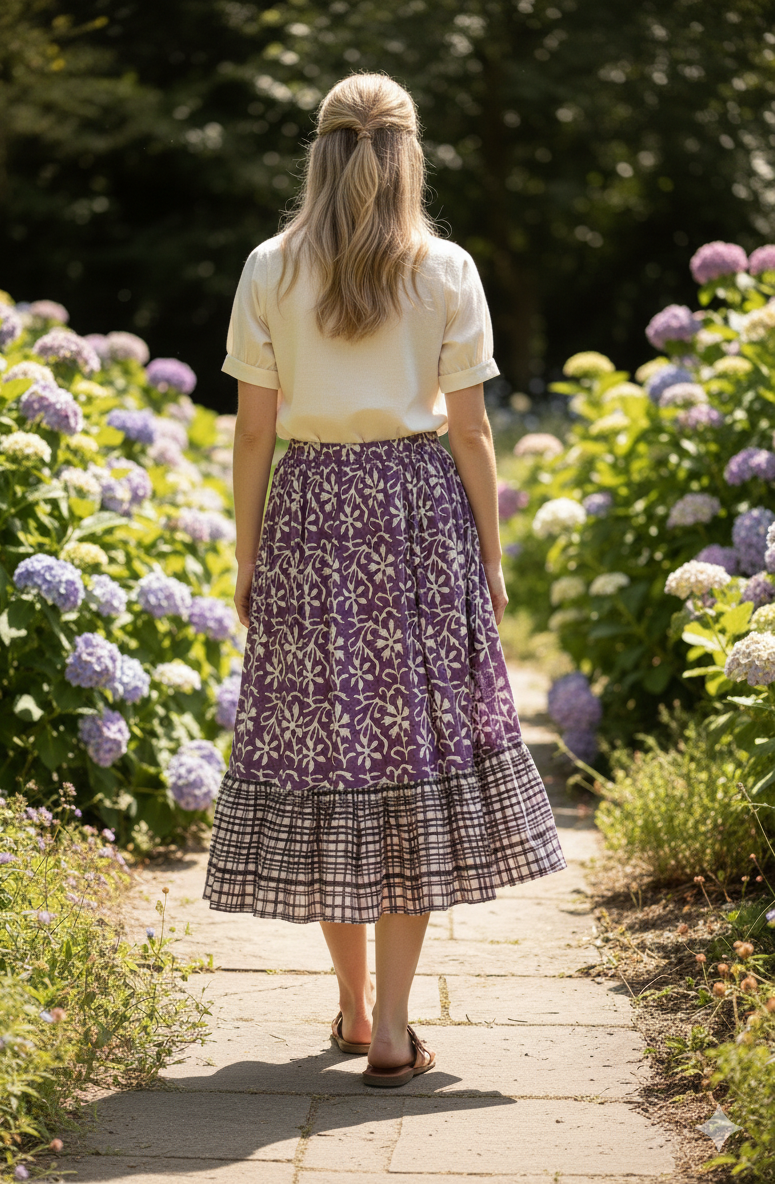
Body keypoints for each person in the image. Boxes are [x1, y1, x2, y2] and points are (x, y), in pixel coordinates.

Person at [202, 72, 567, 1088]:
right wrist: (490, 557)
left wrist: (248, 558)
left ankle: (356, 1010)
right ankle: (399, 1027)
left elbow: (254, 434)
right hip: (419, 519)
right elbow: (474, 431)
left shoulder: (269, 266)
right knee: (412, 762)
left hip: (310, 520)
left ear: (320, 152)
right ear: (409, 154)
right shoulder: (445, 268)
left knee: (333, 760)